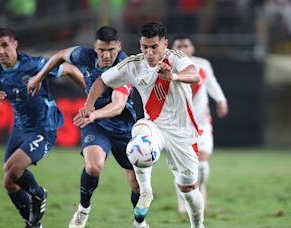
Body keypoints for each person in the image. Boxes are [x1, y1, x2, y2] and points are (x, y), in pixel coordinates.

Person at [78, 22, 205, 228]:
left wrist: (172, 76)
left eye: (154, 47)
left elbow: (194, 75)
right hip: (154, 126)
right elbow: (102, 80)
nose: (148, 52)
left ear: (164, 44)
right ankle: (146, 191)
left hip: (182, 132)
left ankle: (197, 225)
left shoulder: (176, 58)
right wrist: (88, 105)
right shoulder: (133, 64)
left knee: (189, 190)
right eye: (144, 47)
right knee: (139, 135)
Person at [27, 26, 148, 228]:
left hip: (122, 127)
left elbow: (118, 106)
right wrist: (39, 77)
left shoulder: (124, 65)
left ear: (118, 46)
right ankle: (83, 210)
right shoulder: (83, 55)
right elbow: (60, 55)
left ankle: (138, 222)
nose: (107, 55)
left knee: (136, 183)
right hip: (96, 125)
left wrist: (93, 114)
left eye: (111, 49)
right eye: (102, 50)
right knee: (93, 166)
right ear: (95, 47)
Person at [0, 28, 84, 228]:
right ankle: (33, 225)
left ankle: (39, 194)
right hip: (20, 128)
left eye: (5, 45)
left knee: (11, 169)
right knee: (9, 182)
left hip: (45, 126)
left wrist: (91, 91)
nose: (0, 51)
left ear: (15, 44)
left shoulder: (34, 64)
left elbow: (67, 69)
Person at [172, 35, 228, 213]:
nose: (182, 48)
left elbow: (212, 84)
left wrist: (221, 100)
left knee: (202, 165)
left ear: (192, 48)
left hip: (202, 124)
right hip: (177, 125)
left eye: (185, 45)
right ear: (172, 49)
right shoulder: (167, 67)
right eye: (178, 45)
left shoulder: (202, 65)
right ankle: (184, 198)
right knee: (183, 167)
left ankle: (199, 187)